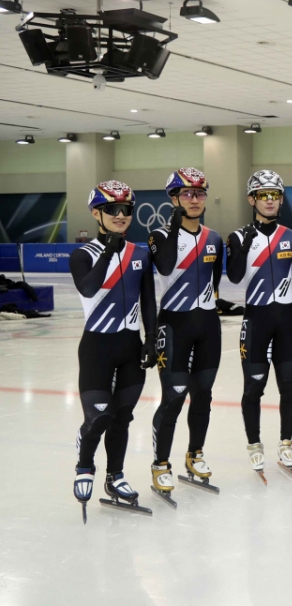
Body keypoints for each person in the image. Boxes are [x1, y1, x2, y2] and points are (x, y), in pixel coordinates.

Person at [71, 181, 156, 520]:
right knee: (99, 417)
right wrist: (109, 250)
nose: (121, 216)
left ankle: (115, 476)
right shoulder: (83, 255)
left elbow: (148, 300)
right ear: (97, 213)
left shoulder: (141, 254)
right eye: (112, 210)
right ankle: (84, 464)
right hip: (97, 348)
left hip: (130, 346)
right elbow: (88, 288)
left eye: (126, 210)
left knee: (122, 418)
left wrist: (151, 339)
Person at [225, 170, 292, 481]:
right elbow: (234, 276)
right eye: (264, 195)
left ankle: (286, 443)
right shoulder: (238, 236)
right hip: (256, 320)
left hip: (287, 319)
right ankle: (254, 443)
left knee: (289, 385)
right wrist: (243, 247)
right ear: (252, 200)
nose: (270, 200)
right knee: (254, 387)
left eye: (275, 195)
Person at [147, 168, 223, 504]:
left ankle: (195, 454)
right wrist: (175, 226)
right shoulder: (159, 235)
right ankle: (160, 463)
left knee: (203, 395)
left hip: (207, 325)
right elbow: (164, 267)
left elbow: (216, 281)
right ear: (174, 198)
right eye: (187, 194)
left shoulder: (214, 238)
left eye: (200, 193)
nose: (195, 200)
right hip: (174, 325)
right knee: (174, 396)